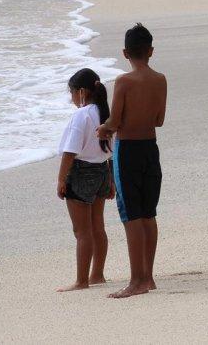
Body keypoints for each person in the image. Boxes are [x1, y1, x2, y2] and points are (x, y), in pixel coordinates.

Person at [96, 23, 166, 299]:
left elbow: (115, 120)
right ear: (151, 51)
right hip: (150, 148)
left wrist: (104, 129)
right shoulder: (160, 79)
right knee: (149, 213)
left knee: (132, 216)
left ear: (125, 53)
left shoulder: (123, 82)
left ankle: (137, 280)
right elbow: (159, 120)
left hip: (127, 152)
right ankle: (148, 276)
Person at [55, 68, 113, 292]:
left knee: (82, 232)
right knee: (98, 227)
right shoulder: (105, 112)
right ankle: (97, 274)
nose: (71, 99)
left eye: (71, 93)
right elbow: (110, 150)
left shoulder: (82, 115)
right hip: (102, 171)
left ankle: (81, 281)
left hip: (80, 172)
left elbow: (70, 151)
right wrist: (111, 181)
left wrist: (61, 180)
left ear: (81, 92)